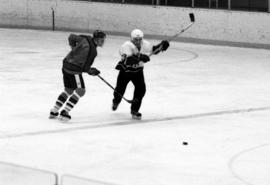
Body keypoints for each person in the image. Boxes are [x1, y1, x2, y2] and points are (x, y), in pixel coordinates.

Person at [112, 29, 170, 120]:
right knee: (120, 89)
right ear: (131, 38)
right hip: (125, 71)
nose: (138, 41)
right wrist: (140, 57)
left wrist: (162, 46)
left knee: (141, 90)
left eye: (140, 39)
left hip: (138, 71)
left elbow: (154, 50)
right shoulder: (126, 46)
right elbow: (128, 60)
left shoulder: (145, 44)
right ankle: (116, 101)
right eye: (136, 39)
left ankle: (134, 110)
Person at [49, 30, 106, 121]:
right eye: (102, 40)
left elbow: (71, 36)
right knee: (81, 91)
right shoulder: (93, 51)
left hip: (65, 65)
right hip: (74, 70)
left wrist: (73, 49)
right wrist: (92, 71)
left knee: (69, 90)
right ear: (96, 39)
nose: (103, 42)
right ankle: (65, 111)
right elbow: (84, 68)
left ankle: (54, 110)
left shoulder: (85, 38)